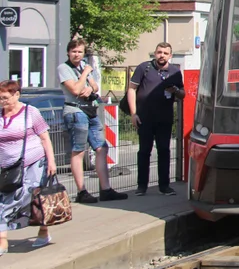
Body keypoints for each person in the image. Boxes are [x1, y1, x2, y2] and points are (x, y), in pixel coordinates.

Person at [58, 38, 126, 203]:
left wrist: (89, 88)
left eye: (80, 52)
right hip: (75, 111)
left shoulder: (84, 67)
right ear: (68, 52)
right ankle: (82, 191)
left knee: (101, 148)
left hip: (90, 109)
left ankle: (106, 189)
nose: (77, 55)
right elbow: (74, 89)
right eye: (74, 51)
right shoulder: (64, 68)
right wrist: (84, 76)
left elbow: (95, 86)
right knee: (79, 150)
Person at [0, 79, 57, 254]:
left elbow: (45, 138)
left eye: (5, 98)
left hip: (34, 162)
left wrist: (52, 162)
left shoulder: (30, 112)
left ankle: (43, 231)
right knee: (3, 201)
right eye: (0, 99)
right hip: (7, 168)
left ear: (17, 95)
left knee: (35, 199)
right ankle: (2, 240)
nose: (2, 102)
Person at [127, 42, 185, 196]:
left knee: (164, 151)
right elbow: (131, 89)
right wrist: (134, 113)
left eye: (165, 53)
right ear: (155, 53)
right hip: (145, 117)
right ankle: (141, 186)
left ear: (170, 56)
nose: (162, 55)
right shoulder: (144, 68)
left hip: (164, 118)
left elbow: (182, 95)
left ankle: (164, 186)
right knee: (144, 151)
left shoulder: (175, 72)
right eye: (159, 52)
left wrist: (176, 90)